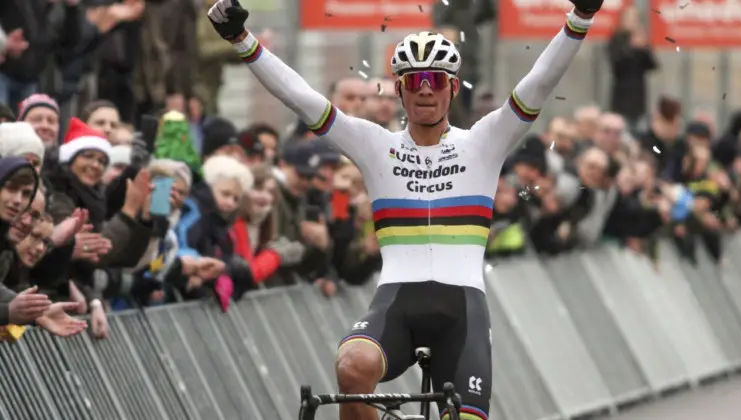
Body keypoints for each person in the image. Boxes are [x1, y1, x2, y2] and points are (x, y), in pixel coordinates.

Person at [207, 0, 602, 418]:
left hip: (462, 314)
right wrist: (242, 40)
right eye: (413, 82)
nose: (425, 89)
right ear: (399, 90)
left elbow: (539, 83)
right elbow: (303, 100)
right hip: (396, 304)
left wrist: (581, 17)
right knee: (352, 367)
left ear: (453, 86)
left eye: (435, 79)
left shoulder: (485, 141)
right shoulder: (375, 145)